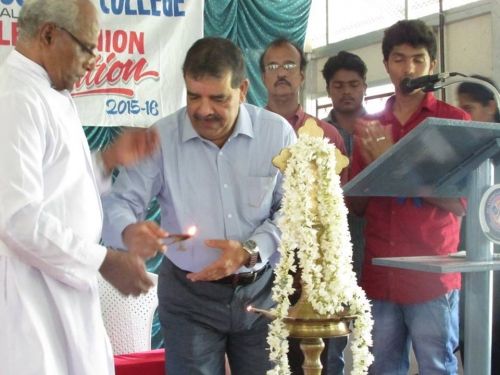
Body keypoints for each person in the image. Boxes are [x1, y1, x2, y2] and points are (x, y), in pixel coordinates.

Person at [101, 36, 296, 375]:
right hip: (189, 298)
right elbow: (119, 202)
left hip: (262, 293)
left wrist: (251, 250)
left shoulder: (276, 135)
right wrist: (129, 231)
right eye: (194, 97)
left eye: (218, 98)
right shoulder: (160, 138)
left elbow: (292, 210)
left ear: (243, 89)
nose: (204, 110)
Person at [0, 0, 161, 374]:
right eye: (86, 47)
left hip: (63, 287)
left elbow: (57, 186)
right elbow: (17, 217)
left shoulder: (50, 91)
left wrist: (107, 159)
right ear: (49, 34)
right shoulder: (16, 98)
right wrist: (103, 260)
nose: (93, 60)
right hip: (33, 297)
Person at [349, 19, 470, 374]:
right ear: (386, 65)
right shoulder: (370, 125)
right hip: (379, 272)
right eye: (399, 59)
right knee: (380, 367)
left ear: (432, 65)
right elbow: (356, 205)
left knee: (436, 366)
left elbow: (461, 203)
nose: (409, 68)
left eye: (418, 59)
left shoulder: (452, 122)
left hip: (431, 275)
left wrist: (393, 160)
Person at [260, 37, 346, 375]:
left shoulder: (327, 135)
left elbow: (338, 208)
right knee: (269, 361)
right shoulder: (245, 130)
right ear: (263, 77)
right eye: (273, 66)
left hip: (315, 273)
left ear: (302, 75)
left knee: (322, 364)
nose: (281, 73)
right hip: (264, 270)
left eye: (289, 65)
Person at [321, 50, 368, 374]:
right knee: (331, 338)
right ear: (328, 90)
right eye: (338, 85)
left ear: (364, 86)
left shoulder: (382, 129)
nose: (346, 91)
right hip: (329, 250)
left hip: (374, 242)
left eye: (353, 84)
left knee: (377, 336)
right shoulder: (317, 133)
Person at [456, 75, 500, 374]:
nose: (463, 117)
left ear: (491, 106)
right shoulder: (464, 154)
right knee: (471, 333)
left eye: (468, 108)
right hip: (470, 255)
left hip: (494, 259)